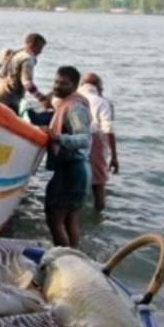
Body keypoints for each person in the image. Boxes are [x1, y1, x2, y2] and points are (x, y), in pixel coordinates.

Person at [40, 66, 91, 248]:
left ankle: (64, 260)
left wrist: (56, 137)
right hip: (77, 169)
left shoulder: (74, 107)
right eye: (56, 82)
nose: (57, 86)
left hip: (71, 169)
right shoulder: (66, 103)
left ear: (74, 86)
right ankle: (74, 257)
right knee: (69, 219)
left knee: (55, 219)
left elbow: (84, 138)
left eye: (64, 83)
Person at [78, 72, 118, 211]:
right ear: (98, 87)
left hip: (73, 141)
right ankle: (99, 213)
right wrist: (114, 156)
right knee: (98, 184)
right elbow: (108, 129)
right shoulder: (102, 102)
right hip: (94, 142)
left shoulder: (72, 97)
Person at [0, 33, 50, 115]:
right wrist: (42, 99)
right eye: (39, 48)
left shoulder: (16, 53)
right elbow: (27, 83)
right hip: (8, 98)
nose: (40, 52)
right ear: (31, 45)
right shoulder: (27, 59)